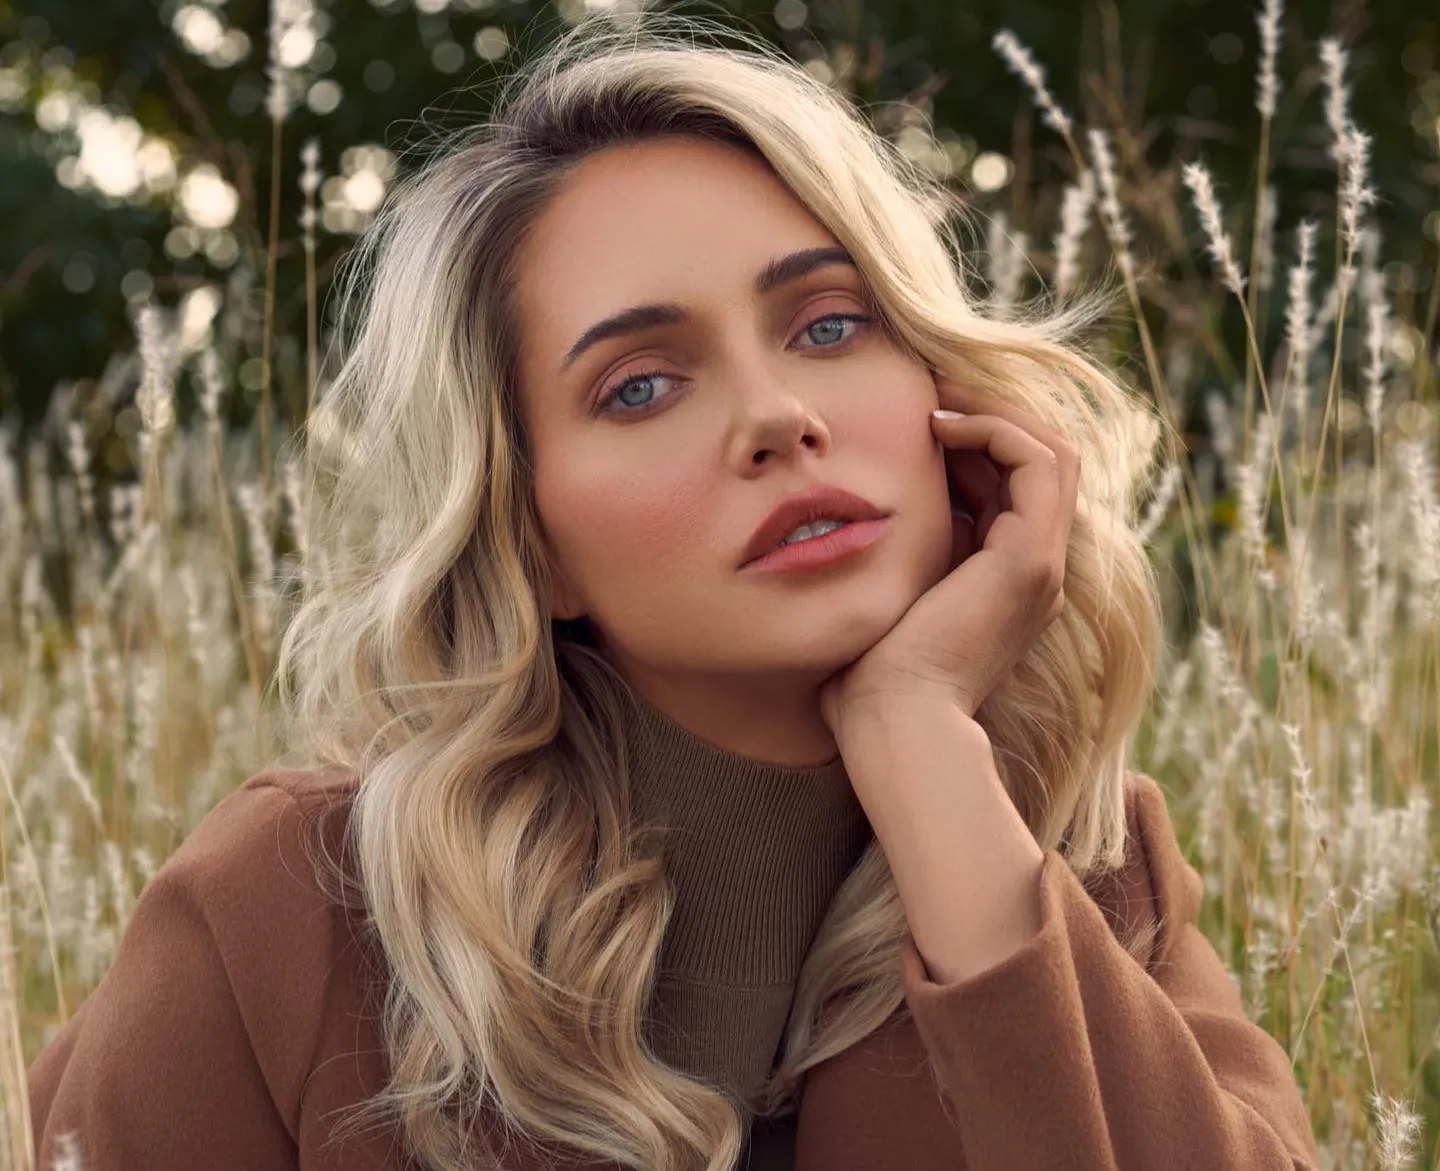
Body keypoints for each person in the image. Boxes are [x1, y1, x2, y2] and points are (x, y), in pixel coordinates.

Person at [27, 10, 1321, 1171]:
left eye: (827, 324)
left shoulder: (1084, 874)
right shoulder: (296, 916)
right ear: (528, 540)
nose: (776, 415)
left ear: (948, 400)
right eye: (639, 384)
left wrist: (917, 731)